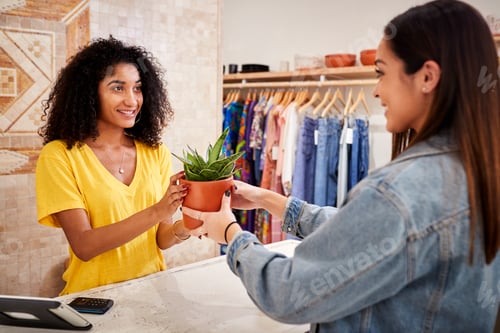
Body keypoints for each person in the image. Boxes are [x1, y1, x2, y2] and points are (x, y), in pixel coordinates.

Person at [182, 1, 500, 331]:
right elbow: (369, 237)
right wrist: (268, 199)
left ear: (427, 77)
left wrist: (231, 234)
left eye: (381, 72)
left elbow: (290, 293)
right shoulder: (480, 169)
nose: (376, 91)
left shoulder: (398, 192)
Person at [36, 36, 190, 295]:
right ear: (90, 92)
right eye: (118, 88)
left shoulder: (156, 153)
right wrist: (157, 210)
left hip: (153, 296)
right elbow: (84, 246)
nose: (132, 101)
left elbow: (161, 238)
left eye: (138, 88)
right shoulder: (60, 156)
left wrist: (188, 226)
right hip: (92, 302)